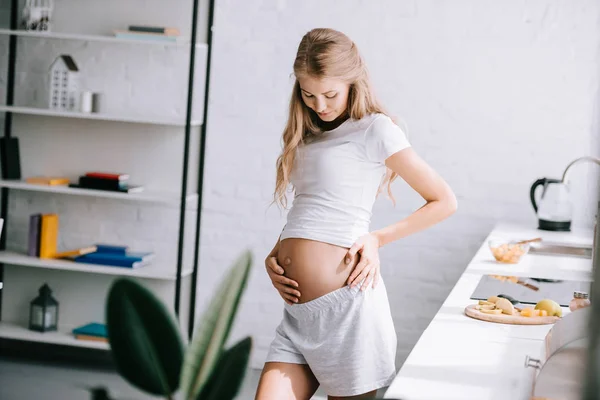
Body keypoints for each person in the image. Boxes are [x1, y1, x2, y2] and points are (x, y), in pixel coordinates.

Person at [255, 28, 457, 400]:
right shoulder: (308, 132)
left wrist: (377, 238)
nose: (319, 104)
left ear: (352, 82)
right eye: (308, 93)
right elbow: (314, 203)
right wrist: (278, 251)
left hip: (349, 312)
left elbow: (444, 200)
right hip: (299, 316)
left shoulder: (376, 130)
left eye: (330, 94)